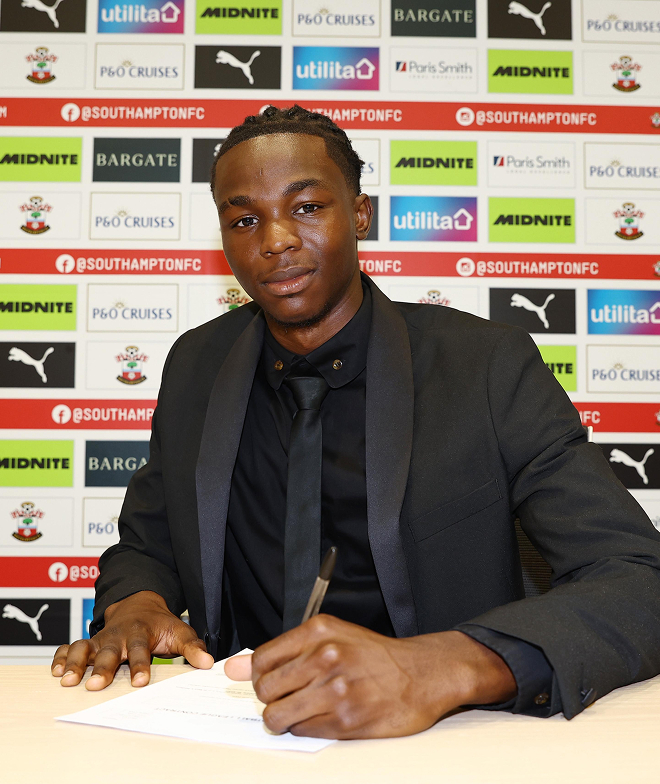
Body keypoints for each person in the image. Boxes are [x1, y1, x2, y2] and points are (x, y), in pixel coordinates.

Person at [52, 106, 660, 739]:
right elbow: (149, 543)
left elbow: (637, 576)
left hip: (433, 736)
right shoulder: (196, 363)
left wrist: (442, 668)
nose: (275, 239)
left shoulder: (483, 365)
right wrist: (137, 602)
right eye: (244, 220)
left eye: (307, 207)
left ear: (361, 213)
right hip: (235, 728)